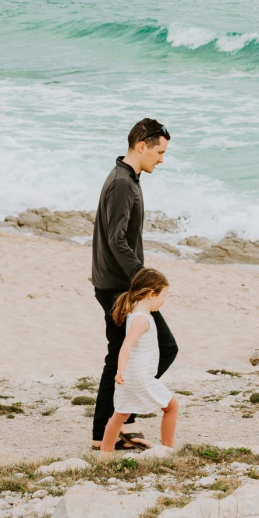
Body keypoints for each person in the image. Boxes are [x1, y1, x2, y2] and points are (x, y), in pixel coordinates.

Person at [90, 117, 178, 451]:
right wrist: (144, 282)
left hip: (116, 282)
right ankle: (118, 421)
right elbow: (117, 241)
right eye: (159, 151)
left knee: (120, 354)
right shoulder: (124, 183)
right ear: (142, 146)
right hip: (118, 286)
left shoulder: (127, 177)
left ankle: (113, 426)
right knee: (163, 347)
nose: (162, 158)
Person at [100, 267, 179, 455]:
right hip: (139, 375)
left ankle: (105, 454)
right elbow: (126, 346)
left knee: (120, 415)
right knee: (172, 407)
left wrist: (122, 372)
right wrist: (120, 371)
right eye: (164, 295)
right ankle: (167, 449)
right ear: (151, 294)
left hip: (132, 375)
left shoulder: (135, 312)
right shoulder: (142, 319)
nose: (164, 300)